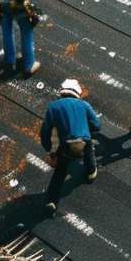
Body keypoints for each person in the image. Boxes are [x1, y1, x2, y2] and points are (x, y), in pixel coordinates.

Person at [41, 79, 101, 212]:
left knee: (60, 172)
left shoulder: (53, 107)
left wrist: (49, 150)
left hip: (65, 145)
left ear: (62, 92)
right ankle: (91, 172)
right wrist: (86, 129)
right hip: (83, 142)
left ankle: (51, 201)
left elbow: (45, 131)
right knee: (89, 149)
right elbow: (97, 125)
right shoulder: (84, 105)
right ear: (77, 93)